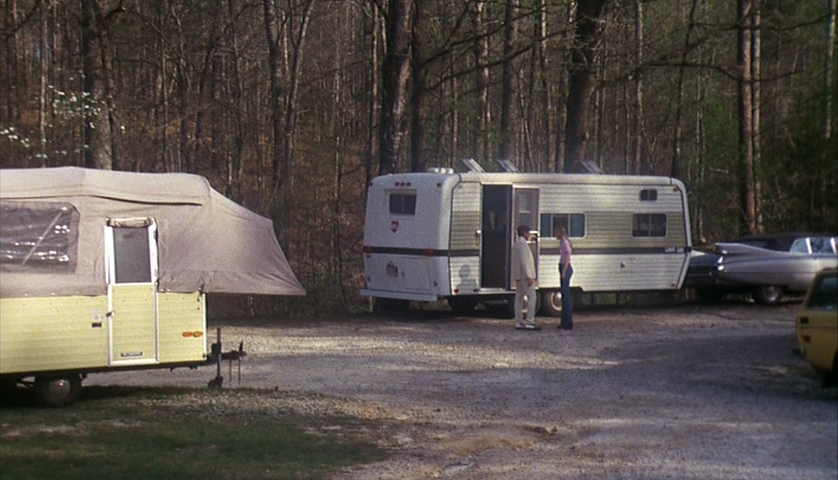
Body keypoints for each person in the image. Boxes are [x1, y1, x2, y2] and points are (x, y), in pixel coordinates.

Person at [512, 224, 540, 330]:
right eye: (528, 233)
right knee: (532, 296)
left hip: (519, 275)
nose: (529, 235)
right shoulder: (523, 245)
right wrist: (529, 276)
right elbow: (524, 261)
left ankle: (518, 321)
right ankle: (530, 321)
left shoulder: (517, 244)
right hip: (524, 275)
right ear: (524, 233)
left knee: (519, 298)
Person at [557, 226, 574, 330]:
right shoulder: (563, 242)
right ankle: (564, 322)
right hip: (563, 267)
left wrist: (564, 271)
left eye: (556, 233)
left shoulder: (564, 242)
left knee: (566, 296)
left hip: (565, 267)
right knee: (564, 296)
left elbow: (567, 255)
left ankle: (568, 322)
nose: (555, 235)